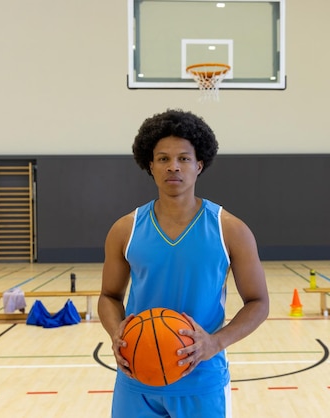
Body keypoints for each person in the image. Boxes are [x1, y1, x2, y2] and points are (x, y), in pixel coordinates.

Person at [98, 109, 269, 418]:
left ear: (199, 165)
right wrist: (117, 334)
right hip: (136, 378)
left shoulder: (230, 229)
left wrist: (215, 342)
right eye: (163, 158)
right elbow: (109, 296)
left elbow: (258, 302)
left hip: (201, 379)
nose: (173, 166)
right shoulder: (125, 229)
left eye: (184, 158)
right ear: (150, 165)